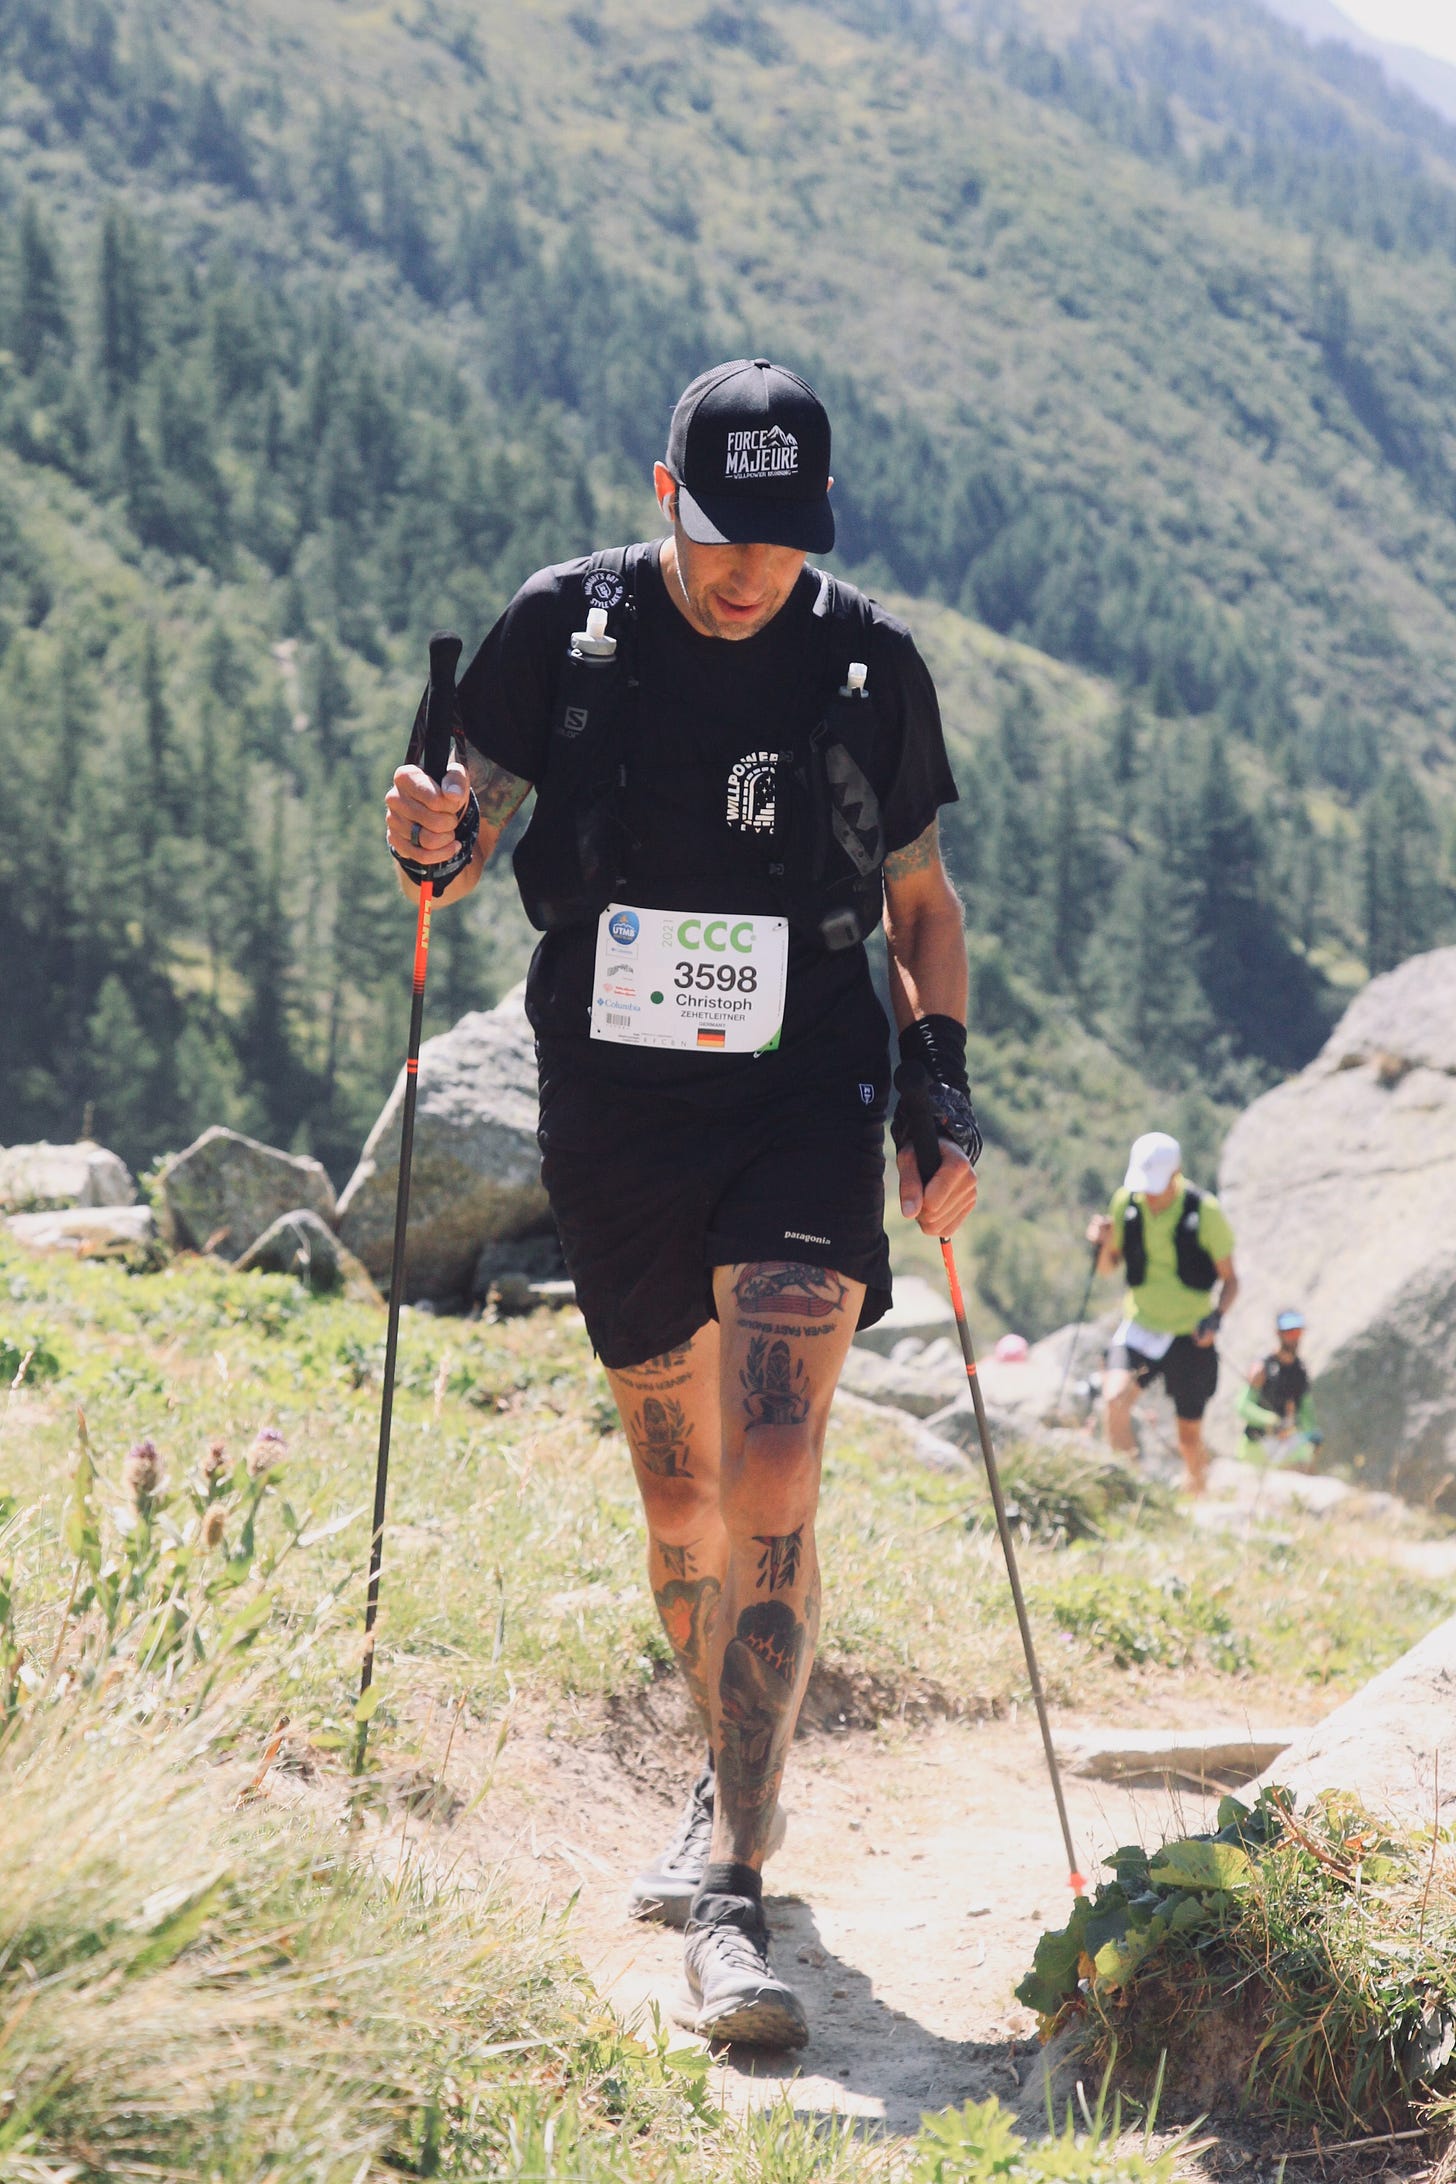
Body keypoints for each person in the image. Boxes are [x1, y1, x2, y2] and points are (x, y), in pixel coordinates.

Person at [382, 359, 978, 2050]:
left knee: (776, 1458)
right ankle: (714, 1763)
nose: (747, 574)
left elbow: (921, 899)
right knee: (681, 1492)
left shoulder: (869, 664)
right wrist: (427, 834)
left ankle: (737, 1867)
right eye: (722, 535)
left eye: (781, 543)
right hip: (615, 1092)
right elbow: (453, 840)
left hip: (803, 1084)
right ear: (665, 495)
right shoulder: (560, 633)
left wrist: (937, 1086)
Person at [1086, 1130, 1238, 1495]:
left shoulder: (1205, 1211)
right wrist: (1102, 1244)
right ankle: (1132, 1490)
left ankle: (1196, 1491)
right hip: (1140, 1323)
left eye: (1157, 1184)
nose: (1150, 1194)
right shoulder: (1127, 1203)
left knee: (1188, 1434)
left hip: (1189, 1333)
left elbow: (1231, 1280)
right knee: (1114, 1399)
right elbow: (1108, 1269)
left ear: (1177, 1173)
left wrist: (1215, 1319)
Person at [1236, 1307, 1322, 1469]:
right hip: (1256, 1446)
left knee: (1304, 1465)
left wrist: (1312, 1434)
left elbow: (1306, 1412)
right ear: (1279, 1334)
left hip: (1286, 1444)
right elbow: (1242, 1406)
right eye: (1289, 1333)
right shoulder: (1262, 1368)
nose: (1294, 1338)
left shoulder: (1300, 1371)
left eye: (1298, 1333)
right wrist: (1271, 1421)